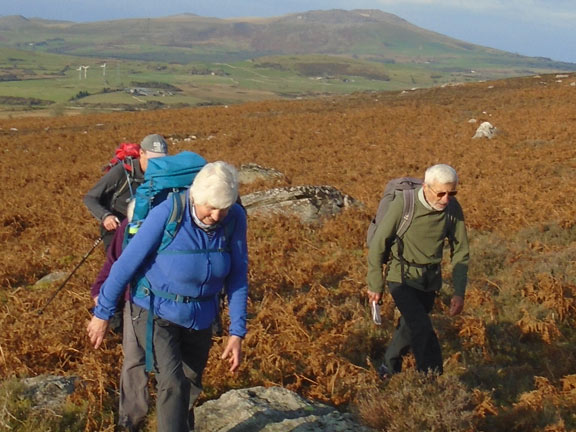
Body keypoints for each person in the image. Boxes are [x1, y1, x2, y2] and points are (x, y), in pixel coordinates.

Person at [87, 161, 249, 432]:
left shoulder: (234, 219)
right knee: (172, 384)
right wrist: (102, 313)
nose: (218, 216)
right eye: (211, 208)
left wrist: (237, 331)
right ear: (196, 196)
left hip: (200, 315)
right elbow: (126, 263)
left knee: (191, 383)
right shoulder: (169, 212)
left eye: (224, 208)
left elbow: (238, 275)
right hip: (154, 310)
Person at [366, 163, 469, 376]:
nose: (446, 199)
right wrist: (375, 284)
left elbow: (460, 251)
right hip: (401, 277)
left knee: (408, 326)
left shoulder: (452, 209)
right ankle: (432, 379)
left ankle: (388, 367)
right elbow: (379, 243)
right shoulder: (404, 204)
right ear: (425, 187)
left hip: (430, 281)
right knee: (421, 326)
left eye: (452, 193)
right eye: (440, 193)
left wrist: (459, 292)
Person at [83, 134, 169, 250]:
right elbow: (90, 198)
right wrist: (106, 216)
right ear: (141, 153)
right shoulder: (121, 172)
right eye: (152, 160)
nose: (156, 164)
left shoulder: (165, 175)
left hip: (147, 231)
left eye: (160, 160)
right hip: (116, 230)